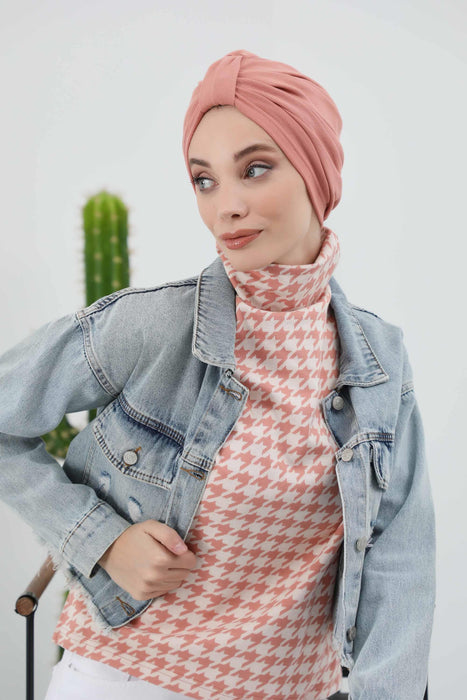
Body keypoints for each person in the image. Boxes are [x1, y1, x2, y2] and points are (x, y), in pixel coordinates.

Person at [0, 49, 435, 700]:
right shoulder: (154, 325)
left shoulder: (377, 361)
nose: (225, 206)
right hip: (122, 681)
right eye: (204, 180)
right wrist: (100, 541)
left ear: (316, 172)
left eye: (254, 169)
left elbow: (401, 563)